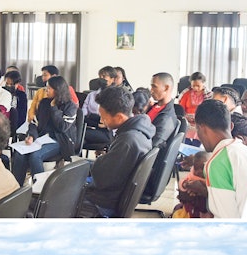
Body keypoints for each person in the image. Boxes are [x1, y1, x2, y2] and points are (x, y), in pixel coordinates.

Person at [81, 86, 154, 217]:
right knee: (81, 166)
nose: (102, 121)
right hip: (117, 194)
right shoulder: (141, 129)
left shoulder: (128, 141)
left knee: (59, 195)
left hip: (106, 203)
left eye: (104, 117)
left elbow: (104, 179)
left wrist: (100, 162)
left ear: (119, 117)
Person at [12, 75, 78, 185]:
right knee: (20, 153)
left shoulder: (70, 106)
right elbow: (34, 123)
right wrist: (31, 136)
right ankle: (15, 188)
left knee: (35, 156)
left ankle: (40, 189)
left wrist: (54, 108)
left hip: (61, 140)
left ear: (58, 90)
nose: (46, 91)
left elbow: (62, 127)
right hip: (42, 138)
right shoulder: (44, 103)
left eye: (49, 88)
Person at [195, 99, 247, 217]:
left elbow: (226, 218)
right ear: (231, 126)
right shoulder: (243, 150)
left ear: (201, 128)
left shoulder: (217, 163)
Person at [147, 73, 179, 149]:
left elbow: (153, 148)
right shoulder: (153, 107)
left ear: (166, 88)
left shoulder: (166, 118)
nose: (151, 90)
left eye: (154, 86)